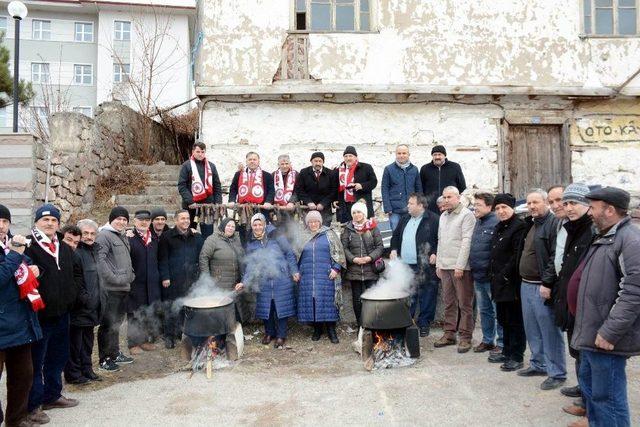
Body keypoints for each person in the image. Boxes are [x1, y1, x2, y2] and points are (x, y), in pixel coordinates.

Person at [570, 187, 639, 427]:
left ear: (609, 210)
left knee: (608, 398)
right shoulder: (606, 235)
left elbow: (634, 292)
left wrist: (609, 332)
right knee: (594, 395)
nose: (590, 212)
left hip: (606, 338)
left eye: (594, 207)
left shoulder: (630, 240)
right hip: (591, 334)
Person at [25, 204, 80, 421]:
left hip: (62, 313)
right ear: (37, 222)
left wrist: (71, 295)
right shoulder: (29, 246)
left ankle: (53, 395)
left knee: (57, 358)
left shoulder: (64, 247)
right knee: (36, 361)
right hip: (39, 316)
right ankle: (33, 404)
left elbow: (76, 272)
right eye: (45, 220)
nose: (49, 224)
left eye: (54, 221)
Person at [547, 184, 593, 418]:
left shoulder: (591, 231)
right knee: (576, 349)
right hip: (569, 298)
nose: (568, 207)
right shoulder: (569, 226)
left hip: (587, 305)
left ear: (588, 205)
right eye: (566, 203)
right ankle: (584, 393)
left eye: (573, 203)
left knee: (585, 351)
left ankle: (589, 404)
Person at [516, 189, 567, 390]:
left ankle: (557, 373)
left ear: (545, 202)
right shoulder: (533, 224)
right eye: (529, 203)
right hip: (526, 284)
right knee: (532, 329)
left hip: (541, 287)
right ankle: (538, 364)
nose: (531, 207)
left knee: (549, 331)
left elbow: (555, 257)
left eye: (536, 202)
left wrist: (547, 283)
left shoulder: (553, 224)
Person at [0, 205, 43, 427]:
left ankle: (15, 420)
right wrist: (17, 255)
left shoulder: (9, 248)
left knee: (23, 377)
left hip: (19, 323)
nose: (1, 226)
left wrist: (34, 269)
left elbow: (21, 270)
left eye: (5, 221)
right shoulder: (13, 251)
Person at [239, 214, 299, 349]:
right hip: (263, 280)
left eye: (260, 224)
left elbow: (289, 253)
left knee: (281, 308)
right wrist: (244, 282)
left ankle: (281, 335)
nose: (257, 227)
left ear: (265, 224)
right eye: (255, 225)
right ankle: (269, 333)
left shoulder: (277, 236)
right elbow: (250, 265)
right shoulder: (252, 243)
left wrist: (294, 271)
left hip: (281, 277)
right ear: (252, 226)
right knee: (266, 308)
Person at [487, 194, 527, 372]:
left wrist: (503, 275)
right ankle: (507, 351)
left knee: (515, 321)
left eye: (504, 207)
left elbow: (516, 256)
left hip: (511, 283)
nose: (501, 211)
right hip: (498, 282)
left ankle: (517, 356)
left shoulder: (519, 227)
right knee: (503, 319)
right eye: (497, 208)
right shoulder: (499, 227)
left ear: (512, 208)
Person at [389, 193, 439, 337]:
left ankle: (424, 323)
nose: (408, 206)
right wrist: (393, 249)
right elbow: (396, 237)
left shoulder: (433, 219)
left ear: (420, 205)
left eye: (411, 203)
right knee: (408, 293)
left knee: (427, 293)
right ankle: (407, 322)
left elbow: (440, 239)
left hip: (425, 264)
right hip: (406, 265)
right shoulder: (405, 218)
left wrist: (435, 252)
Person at [434, 187, 476, 353]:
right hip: (445, 266)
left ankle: (465, 336)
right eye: (444, 197)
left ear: (458, 197)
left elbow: (467, 241)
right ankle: (449, 333)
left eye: (449, 197)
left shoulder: (466, 215)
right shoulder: (443, 216)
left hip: (460, 268)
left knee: (465, 303)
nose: (446, 200)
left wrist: (460, 265)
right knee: (449, 302)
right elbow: (440, 240)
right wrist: (438, 263)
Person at [96, 206, 135, 372]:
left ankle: (115, 353)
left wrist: (131, 274)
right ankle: (104, 359)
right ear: (111, 219)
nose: (121, 222)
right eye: (118, 219)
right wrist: (115, 278)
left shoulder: (122, 236)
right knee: (107, 324)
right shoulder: (104, 235)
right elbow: (100, 260)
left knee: (117, 324)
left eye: (124, 220)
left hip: (123, 288)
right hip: (111, 289)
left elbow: (126, 259)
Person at [297, 210, 346, 344]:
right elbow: (296, 256)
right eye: (310, 222)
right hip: (307, 275)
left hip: (326, 274)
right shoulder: (302, 237)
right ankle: (317, 329)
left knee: (328, 302)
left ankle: (331, 330)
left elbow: (339, 253)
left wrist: (336, 268)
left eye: (316, 221)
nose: (313, 224)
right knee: (313, 302)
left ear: (320, 222)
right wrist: (297, 271)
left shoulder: (329, 234)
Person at [158, 210, 204, 349]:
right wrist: (165, 277)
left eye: (187, 218)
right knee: (171, 308)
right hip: (173, 279)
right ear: (176, 220)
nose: (185, 221)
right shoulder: (167, 237)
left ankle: (181, 332)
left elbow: (201, 256)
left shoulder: (196, 236)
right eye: (182, 218)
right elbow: (162, 259)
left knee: (186, 307)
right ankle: (169, 336)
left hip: (190, 278)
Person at [65, 219, 102, 385]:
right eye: (85, 233)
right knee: (75, 344)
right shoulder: (75, 252)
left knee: (87, 342)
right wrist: (85, 299)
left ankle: (87, 369)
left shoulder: (95, 250)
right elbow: (75, 280)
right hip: (79, 306)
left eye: (92, 233)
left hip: (93, 305)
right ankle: (74, 374)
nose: (89, 236)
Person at [341, 201, 384, 326]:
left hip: (370, 269)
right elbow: (344, 248)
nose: (356, 215)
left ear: (364, 213)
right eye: (354, 212)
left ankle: (374, 324)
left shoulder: (373, 228)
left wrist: (369, 258)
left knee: (373, 299)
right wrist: (353, 259)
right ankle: (361, 325)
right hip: (354, 270)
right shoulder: (348, 230)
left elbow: (380, 247)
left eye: (359, 212)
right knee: (357, 301)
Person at [469, 192, 502, 353]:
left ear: (490, 207)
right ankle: (488, 340)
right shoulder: (479, 222)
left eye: (479, 205)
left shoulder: (496, 222)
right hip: (478, 275)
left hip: (491, 277)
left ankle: (501, 344)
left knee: (498, 312)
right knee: (485, 311)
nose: (475, 208)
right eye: (474, 205)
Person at [199, 218, 249, 323]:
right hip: (218, 281)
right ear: (223, 226)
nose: (230, 228)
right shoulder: (212, 239)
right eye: (228, 226)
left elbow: (242, 258)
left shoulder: (236, 240)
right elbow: (203, 257)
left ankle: (231, 333)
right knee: (220, 308)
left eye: (233, 227)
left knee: (232, 308)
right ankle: (218, 336)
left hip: (234, 281)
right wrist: (206, 278)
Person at [127, 210, 161, 355]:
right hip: (136, 282)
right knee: (134, 313)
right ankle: (133, 343)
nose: (144, 222)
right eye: (141, 219)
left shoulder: (153, 238)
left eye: (147, 220)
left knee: (148, 312)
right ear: (134, 221)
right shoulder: (129, 237)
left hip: (152, 282)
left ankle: (145, 341)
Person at [177, 141, 223, 239]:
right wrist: (190, 201)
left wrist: (218, 202)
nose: (200, 154)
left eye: (202, 152)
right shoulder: (186, 165)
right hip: (191, 206)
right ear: (193, 151)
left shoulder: (211, 166)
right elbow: (182, 186)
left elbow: (217, 186)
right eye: (198, 152)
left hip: (207, 206)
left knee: (208, 234)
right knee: (188, 233)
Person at [229, 152, 275, 242]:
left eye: (254, 159)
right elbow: (233, 189)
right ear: (246, 161)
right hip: (243, 210)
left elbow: (271, 190)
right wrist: (231, 200)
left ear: (258, 161)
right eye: (250, 159)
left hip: (261, 209)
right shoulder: (239, 174)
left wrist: (268, 201)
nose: (252, 161)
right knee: (244, 232)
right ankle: (246, 253)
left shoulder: (266, 175)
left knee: (261, 232)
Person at [381, 144, 422, 231]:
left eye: (404, 153)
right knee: (396, 234)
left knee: (411, 233)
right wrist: (387, 207)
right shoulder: (388, 169)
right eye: (399, 153)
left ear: (408, 154)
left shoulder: (414, 169)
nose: (401, 156)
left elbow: (419, 189)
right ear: (396, 154)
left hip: (411, 208)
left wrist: (419, 205)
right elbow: (384, 189)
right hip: (394, 210)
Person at [335, 146, 378, 224]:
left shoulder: (366, 167)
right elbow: (334, 187)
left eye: (350, 156)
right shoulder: (339, 170)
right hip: (345, 206)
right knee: (347, 230)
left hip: (360, 204)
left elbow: (373, 182)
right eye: (346, 156)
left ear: (356, 157)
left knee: (363, 230)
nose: (348, 158)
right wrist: (334, 199)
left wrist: (362, 186)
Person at [293, 151, 336, 226]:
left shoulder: (330, 173)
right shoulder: (304, 172)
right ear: (311, 161)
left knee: (324, 230)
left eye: (320, 161)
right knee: (309, 230)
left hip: (325, 210)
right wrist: (308, 201)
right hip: (308, 209)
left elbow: (333, 191)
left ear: (323, 162)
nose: (318, 163)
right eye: (315, 161)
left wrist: (323, 203)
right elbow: (299, 190)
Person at [420, 145, 466, 214]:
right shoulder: (425, 169)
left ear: (444, 155)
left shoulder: (455, 167)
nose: (437, 157)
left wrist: (451, 198)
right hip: (431, 207)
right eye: (435, 155)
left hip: (450, 206)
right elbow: (421, 187)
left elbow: (462, 186)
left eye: (440, 154)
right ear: (432, 156)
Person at [272, 154, 297, 221]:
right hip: (277, 207)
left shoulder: (296, 174)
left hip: (291, 207)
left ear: (290, 164)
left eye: (286, 163)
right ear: (278, 165)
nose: (284, 166)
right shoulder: (273, 175)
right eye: (282, 164)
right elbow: (271, 191)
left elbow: (297, 191)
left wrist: (292, 202)